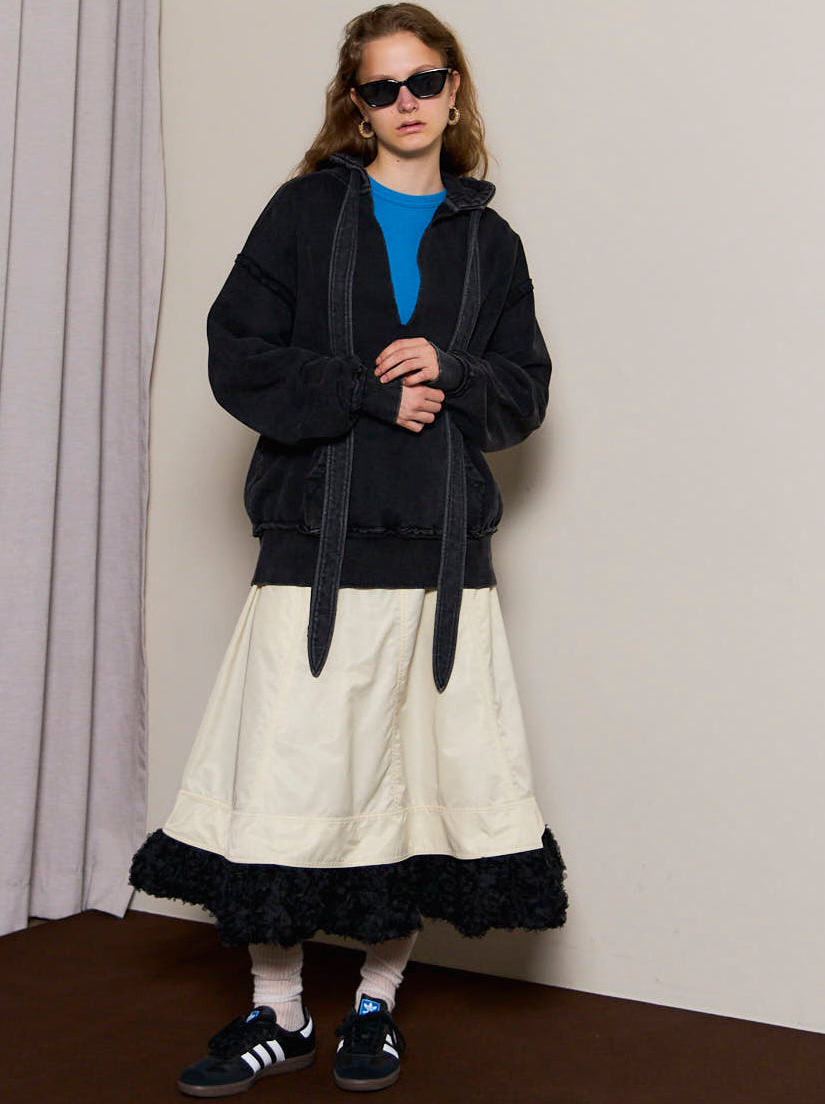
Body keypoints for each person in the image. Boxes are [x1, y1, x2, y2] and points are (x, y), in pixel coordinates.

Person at [129, 2, 568, 1095]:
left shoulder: (492, 242)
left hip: (438, 564)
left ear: (454, 91)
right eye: (382, 88)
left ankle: (375, 1003)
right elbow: (236, 356)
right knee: (287, 780)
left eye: (424, 81)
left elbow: (523, 395)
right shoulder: (304, 212)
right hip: (314, 547)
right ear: (357, 105)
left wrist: (454, 372)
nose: (406, 102)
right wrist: (367, 393)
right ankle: (275, 1010)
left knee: (412, 787)